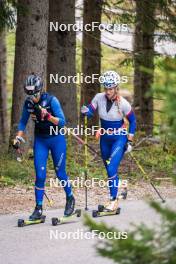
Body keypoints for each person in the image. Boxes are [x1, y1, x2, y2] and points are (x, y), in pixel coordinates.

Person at [13, 74, 75, 220]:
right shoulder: (28, 103)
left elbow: (62, 122)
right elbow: (22, 122)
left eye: (34, 94)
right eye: (29, 94)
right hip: (41, 140)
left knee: (60, 173)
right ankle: (38, 208)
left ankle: (70, 198)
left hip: (56, 139)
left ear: (40, 90)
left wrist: (48, 117)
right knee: (40, 176)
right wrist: (18, 136)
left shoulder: (51, 100)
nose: (32, 97)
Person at [81, 70, 136, 211]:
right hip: (105, 139)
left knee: (111, 167)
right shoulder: (99, 97)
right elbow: (91, 110)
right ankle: (118, 193)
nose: (107, 91)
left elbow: (133, 121)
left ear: (116, 88)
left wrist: (129, 141)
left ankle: (113, 201)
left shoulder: (123, 103)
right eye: (106, 88)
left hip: (119, 138)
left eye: (110, 88)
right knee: (109, 170)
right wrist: (86, 111)